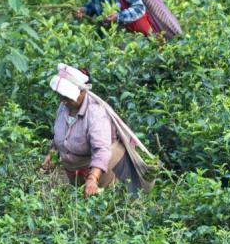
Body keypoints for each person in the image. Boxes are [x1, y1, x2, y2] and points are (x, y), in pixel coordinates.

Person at [41, 64, 156, 196]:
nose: (63, 101)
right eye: (60, 96)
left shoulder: (96, 113)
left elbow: (101, 150)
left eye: (67, 97)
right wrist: (53, 153)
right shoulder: (64, 107)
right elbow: (60, 134)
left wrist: (92, 178)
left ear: (82, 92)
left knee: (112, 205)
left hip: (106, 169)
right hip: (77, 171)